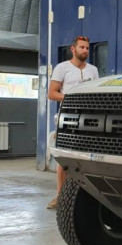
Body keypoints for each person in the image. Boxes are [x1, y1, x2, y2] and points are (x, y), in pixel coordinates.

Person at [47, 35, 99, 209]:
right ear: (73, 49)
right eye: (81, 47)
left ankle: (84, 197)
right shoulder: (62, 68)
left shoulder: (93, 70)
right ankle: (60, 196)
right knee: (65, 158)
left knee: (86, 158)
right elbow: (52, 93)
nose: (85, 50)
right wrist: (72, 99)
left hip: (88, 120)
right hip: (68, 118)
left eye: (87, 48)